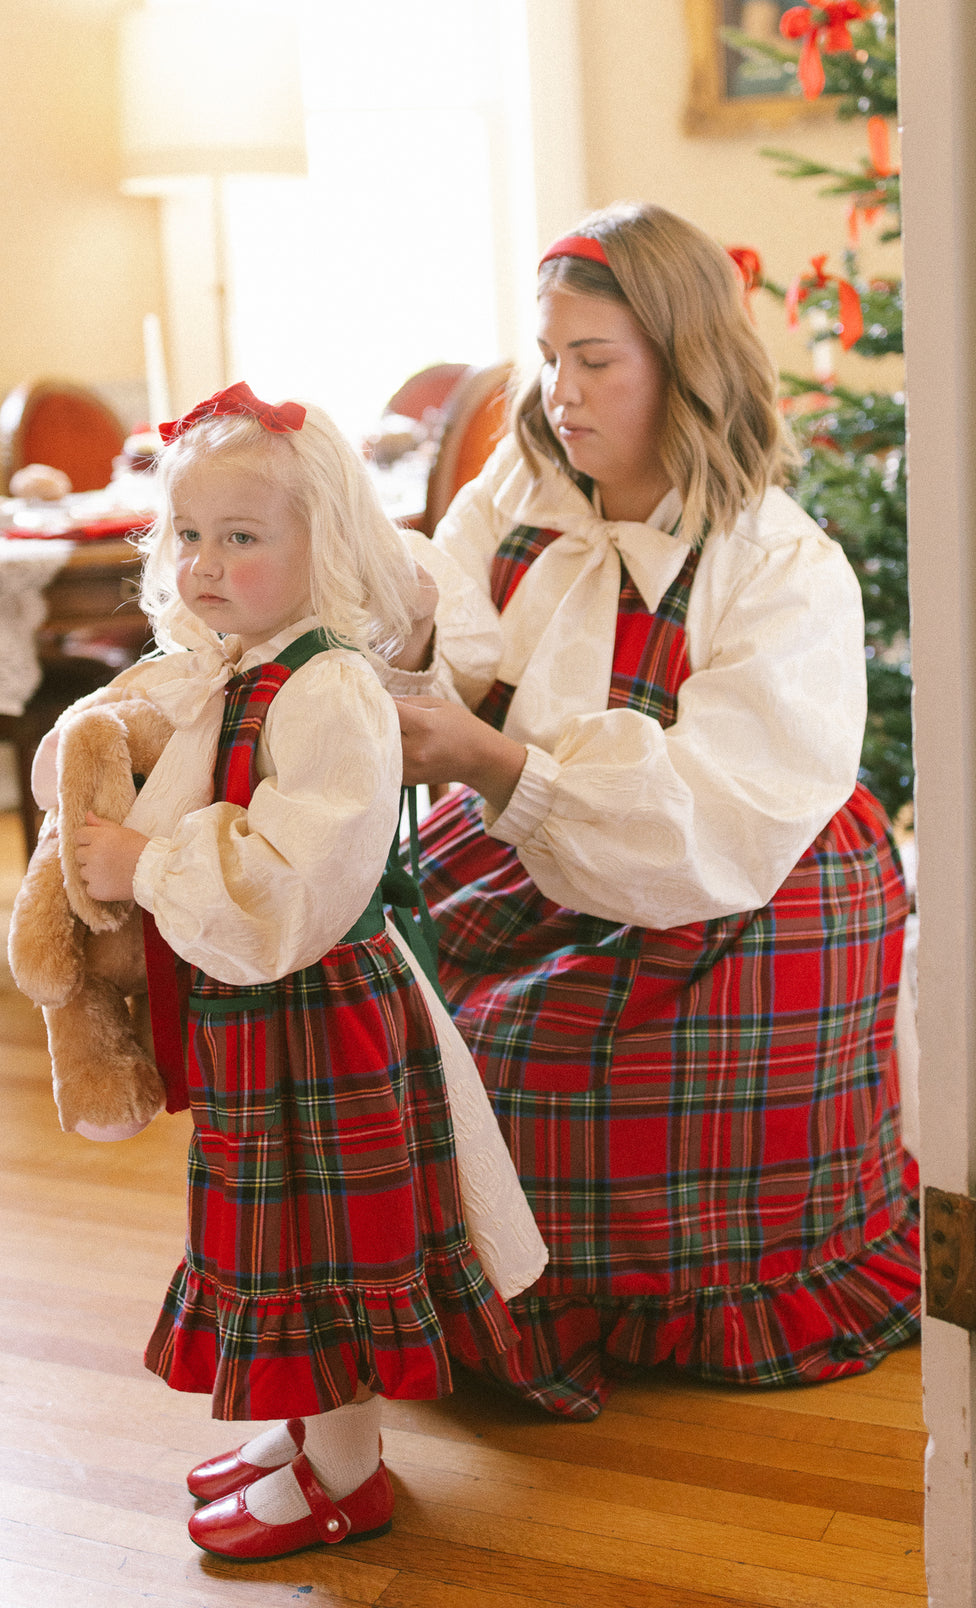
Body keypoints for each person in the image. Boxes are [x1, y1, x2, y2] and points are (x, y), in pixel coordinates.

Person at [390, 202, 920, 1422]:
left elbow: (718, 817)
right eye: (548, 356)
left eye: (596, 361)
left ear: (680, 362)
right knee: (401, 1010)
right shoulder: (529, 489)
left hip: (742, 878)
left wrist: (490, 759)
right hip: (544, 827)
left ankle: (624, 1296)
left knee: (521, 1060)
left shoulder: (776, 566)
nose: (560, 393)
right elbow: (440, 608)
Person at [38, 381, 545, 1559]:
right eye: (192, 536)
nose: (207, 563)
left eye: (243, 537)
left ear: (323, 547)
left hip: (318, 1012)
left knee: (331, 1245)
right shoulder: (240, 663)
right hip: (257, 1016)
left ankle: (348, 1473)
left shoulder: (330, 690)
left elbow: (293, 879)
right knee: (275, 1233)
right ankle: (309, 1435)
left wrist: (148, 863)